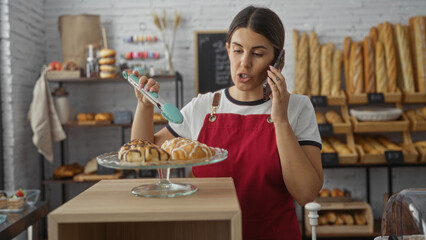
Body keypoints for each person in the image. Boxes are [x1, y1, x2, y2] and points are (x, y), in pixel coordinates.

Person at [131, 5, 323, 240]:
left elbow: (306, 194)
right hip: (209, 233)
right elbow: (144, 155)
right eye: (237, 50)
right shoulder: (203, 106)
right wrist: (144, 106)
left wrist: (280, 118)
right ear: (227, 50)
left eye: (258, 53)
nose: (244, 63)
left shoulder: (298, 108)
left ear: (278, 61)